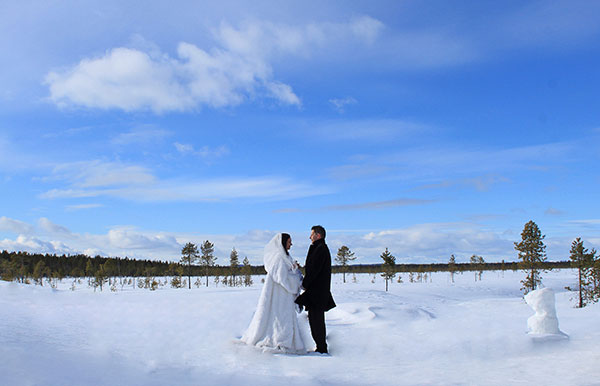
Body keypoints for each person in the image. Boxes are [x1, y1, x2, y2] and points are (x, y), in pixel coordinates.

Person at [241, 233, 307, 354]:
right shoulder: (278, 258)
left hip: (284, 296)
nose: (291, 244)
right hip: (279, 295)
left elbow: (288, 273)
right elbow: (281, 278)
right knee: (280, 319)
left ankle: (284, 339)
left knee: (284, 318)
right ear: (282, 243)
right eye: (289, 242)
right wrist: (295, 281)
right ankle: (280, 340)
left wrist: (294, 269)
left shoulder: (285, 257)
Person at [295, 225, 336, 354]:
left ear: (318, 235)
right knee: (315, 321)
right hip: (317, 292)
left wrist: (304, 284)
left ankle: (322, 349)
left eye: (312, 234)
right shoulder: (319, 248)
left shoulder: (321, 249)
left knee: (316, 322)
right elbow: (312, 268)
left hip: (317, 293)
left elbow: (314, 270)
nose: (310, 237)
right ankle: (321, 347)